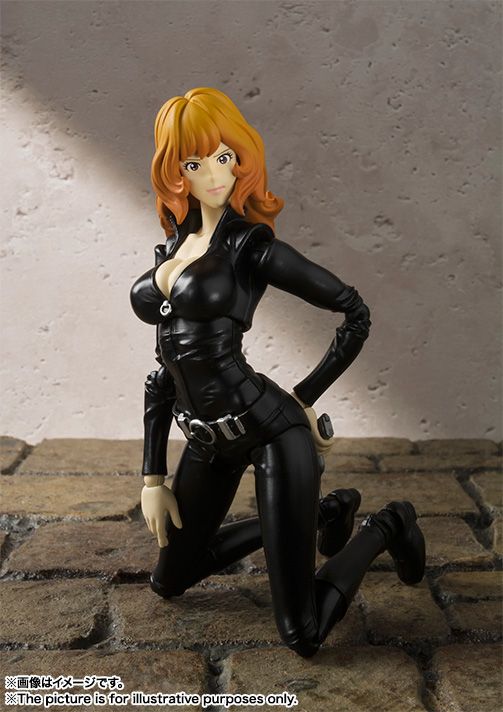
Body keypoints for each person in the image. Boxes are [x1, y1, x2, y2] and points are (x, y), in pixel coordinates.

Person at [130, 87, 425, 658]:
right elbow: (163, 375)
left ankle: (389, 525)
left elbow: (354, 312)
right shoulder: (173, 247)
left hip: (271, 430)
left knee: (303, 633)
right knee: (169, 580)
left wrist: (305, 397)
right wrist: (152, 479)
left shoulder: (251, 248)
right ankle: (324, 512)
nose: (213, 174)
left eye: (223, 157)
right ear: (175, 173)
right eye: (194, 163)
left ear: (241, 159)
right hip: (207, 440)